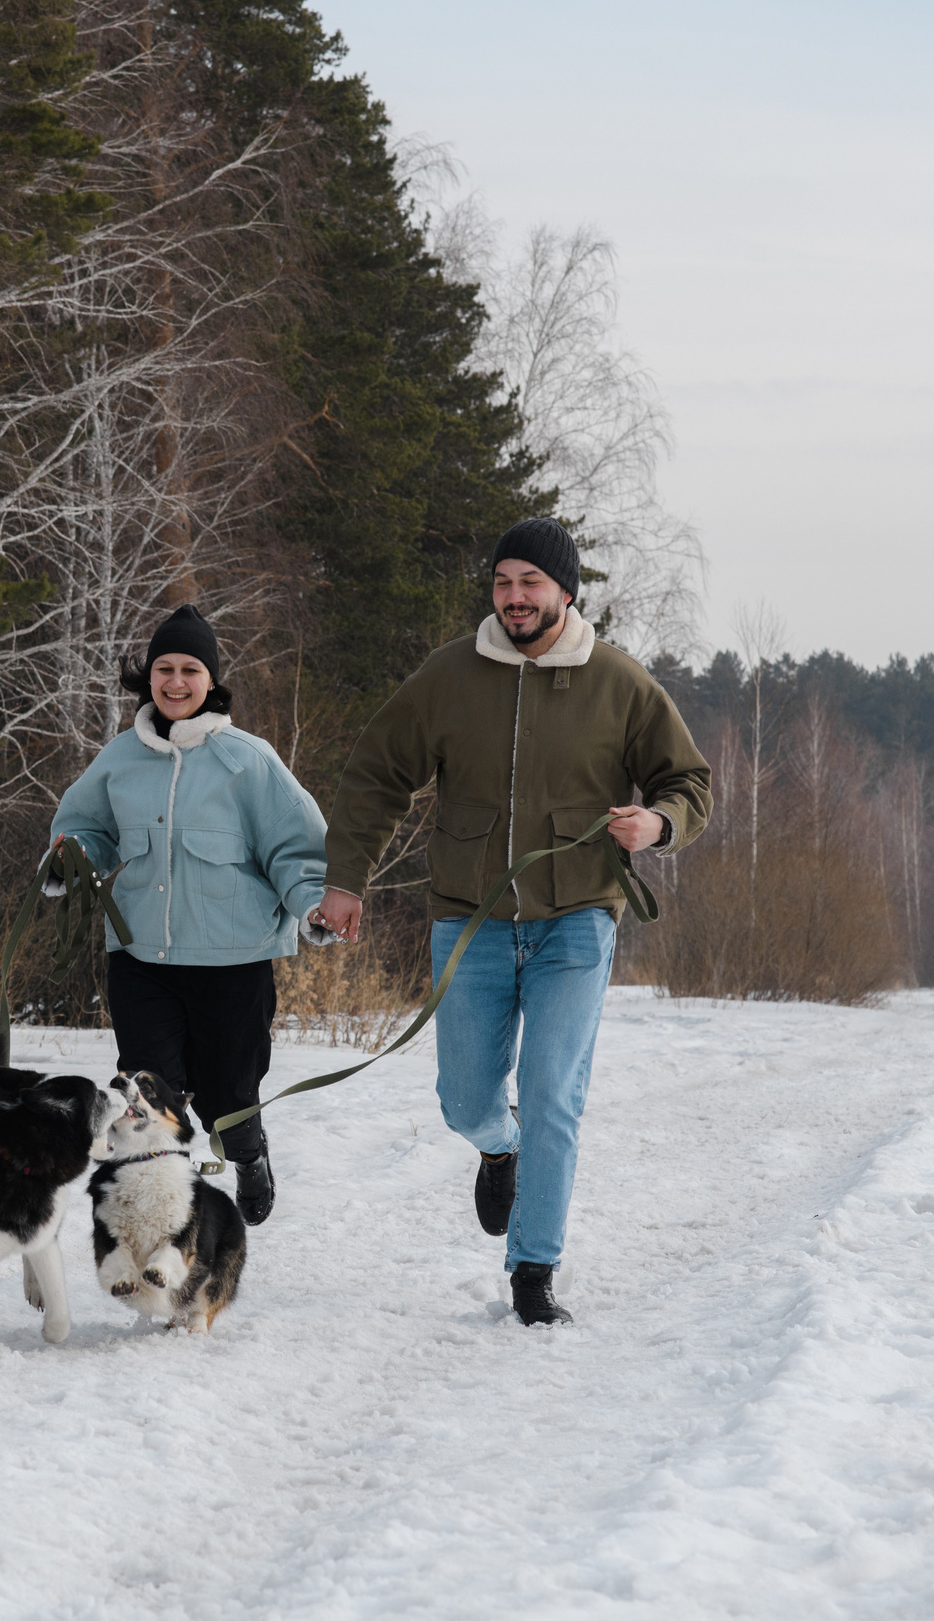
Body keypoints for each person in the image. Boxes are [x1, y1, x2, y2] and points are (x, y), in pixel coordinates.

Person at [311, 519, 710, 1325]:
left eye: (531, 582)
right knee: (463, 1097)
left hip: (577, 919)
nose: (516, 597)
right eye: (503, 582)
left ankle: (533, 1272)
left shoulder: (620, 683)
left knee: (552, 1090)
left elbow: (688, 781)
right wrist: (346, 880)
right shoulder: (452, 675)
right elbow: (377, 772)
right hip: (472, 916)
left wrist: (658, 823)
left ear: (565, 590)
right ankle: (499, 1145)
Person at [49, 604, 327, 1225]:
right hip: (141, 959)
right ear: (148, 677)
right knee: (148, 1096)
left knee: (229, 1097)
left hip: (234, 961)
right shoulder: (120, 759)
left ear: (212, 680)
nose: (176, 682)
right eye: (164, 668)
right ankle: (166, 1221)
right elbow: (85, 828)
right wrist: (73, 856)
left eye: (191, 670)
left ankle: (249, 1155)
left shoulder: (248, 761)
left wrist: (313, 906)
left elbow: (297, 851)